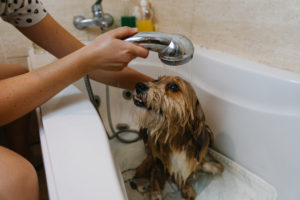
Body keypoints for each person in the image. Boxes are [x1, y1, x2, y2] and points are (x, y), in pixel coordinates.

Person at [0, 0, 152, 199]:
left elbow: (77, 55)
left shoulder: (16, 2)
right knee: (16, 178)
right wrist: (87, 59)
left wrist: (155, 86)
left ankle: (22, 151)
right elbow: (84, 60)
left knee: (17, 74)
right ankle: (22, 162)